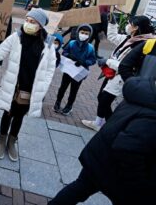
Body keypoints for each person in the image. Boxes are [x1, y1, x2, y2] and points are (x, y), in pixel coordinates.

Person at [49, 75, 156, 205]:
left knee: (79, 189)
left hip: (101, 153)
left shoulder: (144, 90)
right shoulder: (151, 112)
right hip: (117, 168)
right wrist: (139, 184)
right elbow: (127, 149)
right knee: (80, 189)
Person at [0, 8, 56, 161]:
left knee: (19, 116)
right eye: (27, 20)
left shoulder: (48, 44)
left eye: (33, 22)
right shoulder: (16, 37)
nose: (28, 24)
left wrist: (43, 89)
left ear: (41, 26)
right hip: (13, 86)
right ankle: (1, 140)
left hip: (31, 88)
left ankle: (12, 141)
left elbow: (50, 69)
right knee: (8, 113)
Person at [82, 15, 156, 131]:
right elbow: (113, 37)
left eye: (129, 23)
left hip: (121, 78)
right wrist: (112, 23)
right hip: (112, 74)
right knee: (102, 97)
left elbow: (128, 66)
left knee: (105, 100)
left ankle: (111, 126)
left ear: (136, 27)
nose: (127, 25)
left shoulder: (142, 43)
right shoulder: (131, 38)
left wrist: (108, 61)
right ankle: (101, 123)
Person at [54, 24, 97, 115]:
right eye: (82, 32)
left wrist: (84, 62)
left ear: (89, 35)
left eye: (86, 33)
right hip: (68, 69)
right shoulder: (71, 43)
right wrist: (69, 56)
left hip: (79, 72)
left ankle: (69, 106)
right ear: (78, 33)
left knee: (74, 90)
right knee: (63, 87)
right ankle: (57, 102)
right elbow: (64, 52)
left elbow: (93, 60)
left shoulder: (90, 47)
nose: (83, 35)